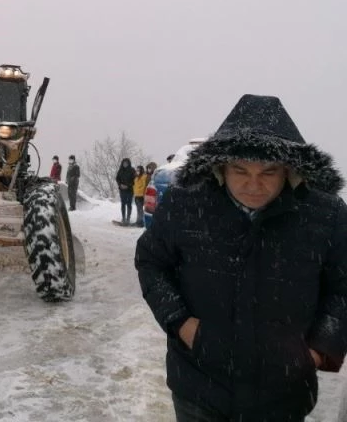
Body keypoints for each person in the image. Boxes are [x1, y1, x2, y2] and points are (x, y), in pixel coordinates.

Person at [135, 94, 347, 421]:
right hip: (199, 389)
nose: (253, 185)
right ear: (222, 165)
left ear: (288, 170)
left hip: (284, 397)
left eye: (268, 172)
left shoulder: (325, 214)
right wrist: (181, 323)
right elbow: (152, 263)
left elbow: (342, 288)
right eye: (240, 170)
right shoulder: (186, 203)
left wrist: (317, 352)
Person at [115, 158, 136, 223]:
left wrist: (128, 186)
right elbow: (117, 178)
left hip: (130, 190)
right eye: (124, 163)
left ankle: (128, 219)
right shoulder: (120, 170)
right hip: (122, 190)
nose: (125, 164)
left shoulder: (132, 170)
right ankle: (123, 218)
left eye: (126, 163)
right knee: (123, 204)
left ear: (128, 163)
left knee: (129, 204)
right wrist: (120, 185)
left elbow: (134, 180)